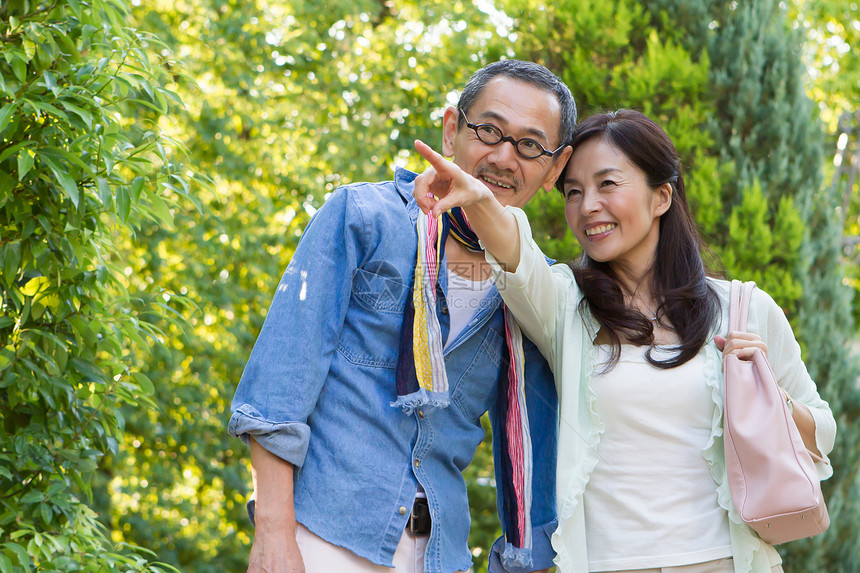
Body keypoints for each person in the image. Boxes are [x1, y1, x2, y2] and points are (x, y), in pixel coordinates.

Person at [412, 109, 836, 573]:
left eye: (607, 184)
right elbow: (515, 253)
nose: (588, 205)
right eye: (573, 192)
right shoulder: (563, 304)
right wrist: (478, 200)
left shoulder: (743, 308)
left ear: (661, 196)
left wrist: (768, 392)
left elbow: (821, 432)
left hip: (726, 560)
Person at [228, 59, 577, 573]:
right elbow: (277, 392)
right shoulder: (362, 218)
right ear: (452, 128)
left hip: (441, 555)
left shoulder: (537, 290)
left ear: (554, 167)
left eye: (529, 145)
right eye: (489, 131)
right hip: (323, 538)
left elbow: (541, 447)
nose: (505, 157)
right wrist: (275, 536)